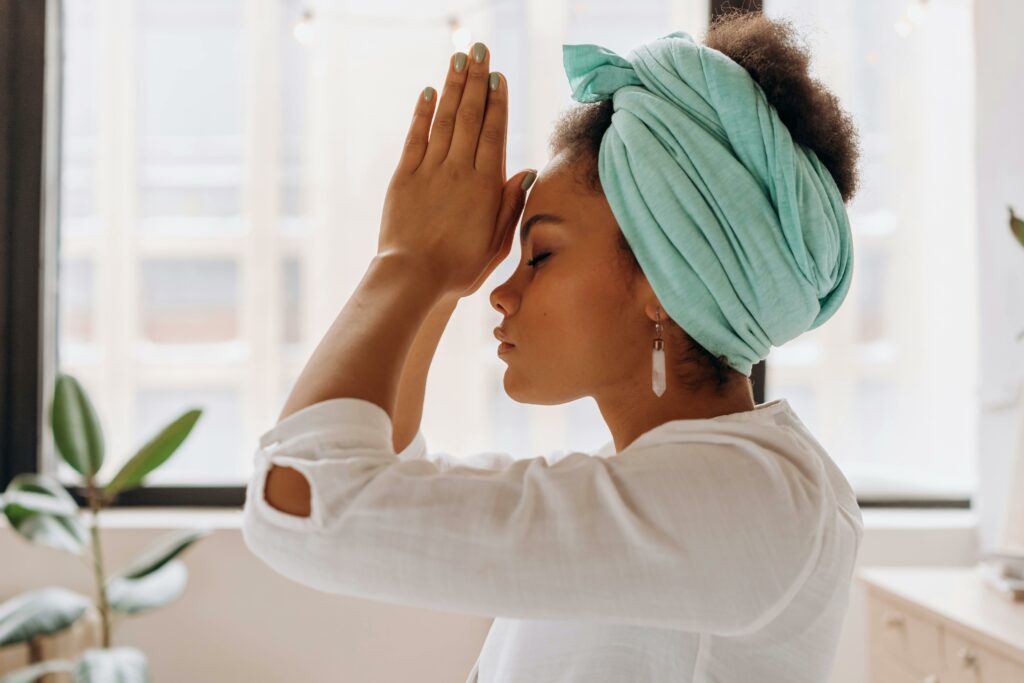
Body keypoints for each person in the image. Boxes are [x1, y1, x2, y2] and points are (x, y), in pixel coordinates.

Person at [242, 10, 864, 682]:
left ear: (663, 280)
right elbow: (377, 466)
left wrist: (408, 263)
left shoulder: (751, 501)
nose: (501, 293)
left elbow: (302, 498)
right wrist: (442, 285)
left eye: (537, 254)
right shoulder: (666, 486)